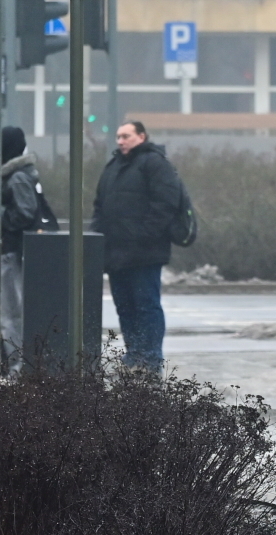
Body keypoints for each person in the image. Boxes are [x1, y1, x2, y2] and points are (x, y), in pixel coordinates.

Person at [92, 120, 185, 373]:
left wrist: (143, 235)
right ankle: (134, 354)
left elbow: (166, 203)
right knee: (125, 307)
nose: (121, 141)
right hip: (116, 252)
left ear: (142, 136)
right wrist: (101, 235)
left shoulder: (155, 163)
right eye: (118, 136)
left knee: (146, 305)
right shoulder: (113, 167)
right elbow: (100, 205)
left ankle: (151, 358)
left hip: (145, 252)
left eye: (126, 136)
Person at [0, 126, 46, 368]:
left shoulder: (16, 177)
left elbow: (24, 213)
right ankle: (19, 363)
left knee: (12, 313)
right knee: (14, 311)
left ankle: (18, 364)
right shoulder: (24, 173)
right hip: (17, 250)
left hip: (13, 250)